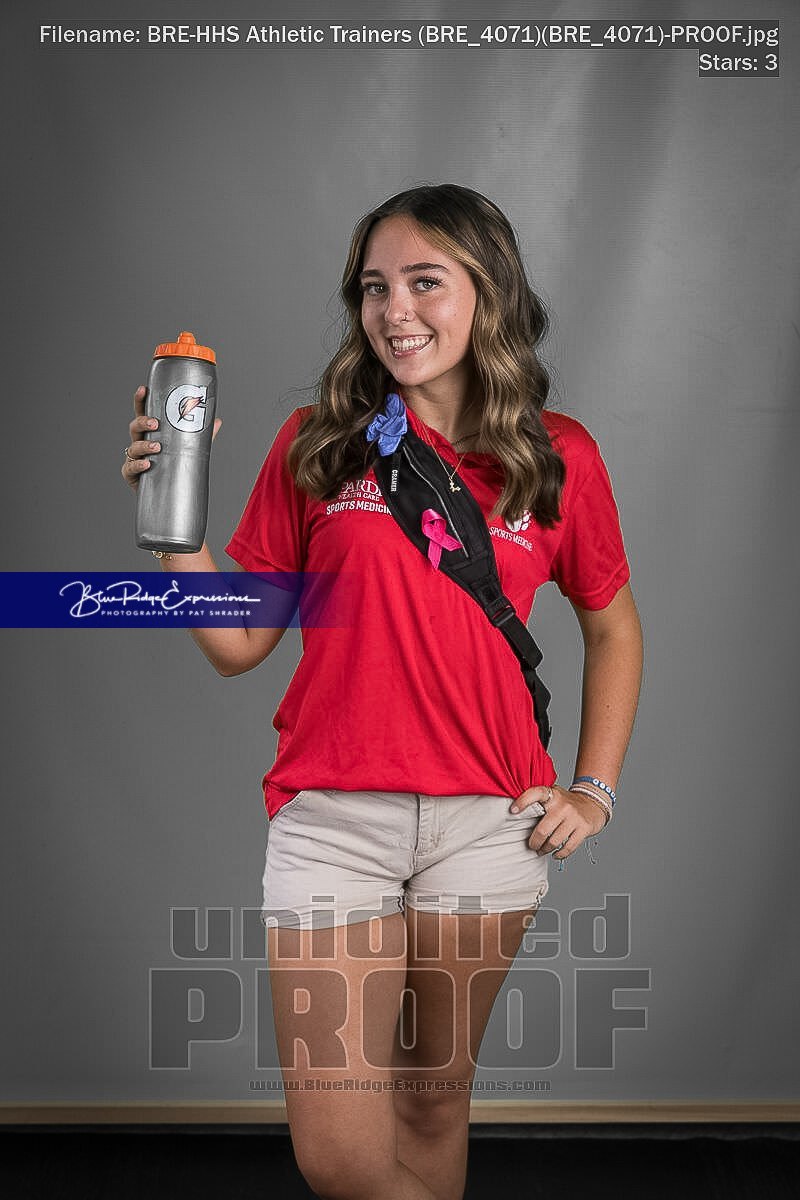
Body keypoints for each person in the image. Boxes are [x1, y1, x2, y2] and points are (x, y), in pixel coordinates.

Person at [122, 184, 643, 1200]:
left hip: (490, 822)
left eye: (423, 282)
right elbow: (236, 645)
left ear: (488, 292)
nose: (393, 310)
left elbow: (612, 626)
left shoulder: (557, 456)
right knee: (341, 1159)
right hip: (333, 821)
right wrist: (174, 536)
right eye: (372, 287)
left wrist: (595, 790)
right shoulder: (318, 443)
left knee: (431, 1105)